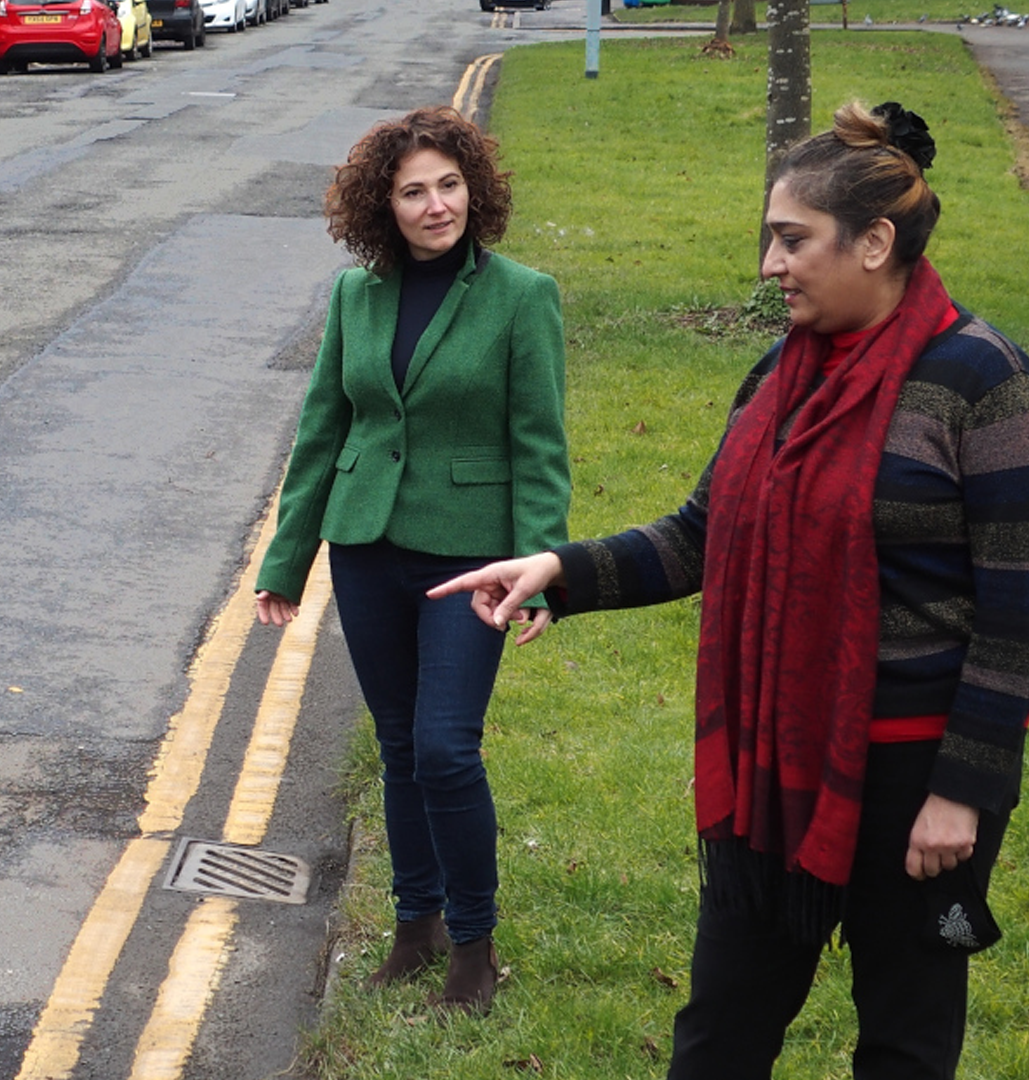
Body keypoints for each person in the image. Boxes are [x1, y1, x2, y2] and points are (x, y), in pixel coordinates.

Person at [431, 101, 1028, 1078]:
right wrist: (561, 573)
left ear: (874, 242)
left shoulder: (982, 381)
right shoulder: (778, 376)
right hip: (776, 765)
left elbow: (1017, 606)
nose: (769, 265)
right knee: (719, 1033)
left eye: (792, 241)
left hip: (916, 779)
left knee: (906, 1038)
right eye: (769, 239)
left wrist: (962, 791)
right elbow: (701, 535)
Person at [255, 105, 571, 1015]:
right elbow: (323, 429)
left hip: (469, 560)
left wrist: (536, 564)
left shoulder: (522, 295)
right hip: (366, 551)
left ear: (476, 189)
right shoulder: (356, 297)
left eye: (449, 185)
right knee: (399, 748)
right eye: (413, 192)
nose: (437, 206)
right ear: (381, 207)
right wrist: (288, 557)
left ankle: (474, 948)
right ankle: (413, 928)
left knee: (443, 748)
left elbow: (539, 445)